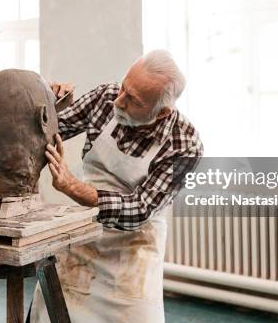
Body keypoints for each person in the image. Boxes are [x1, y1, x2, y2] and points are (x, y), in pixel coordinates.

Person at [29, 50, 203, 323]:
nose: (119, 101)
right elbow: (48, 131)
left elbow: (140, 209)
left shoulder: (184, 144)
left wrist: (74, 188)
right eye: (124, 87)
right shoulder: (106, 97)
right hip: (85, 233)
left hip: (134, 247)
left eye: (133, 100)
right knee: (55, 310)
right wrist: (50, 103)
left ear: (162, 112)